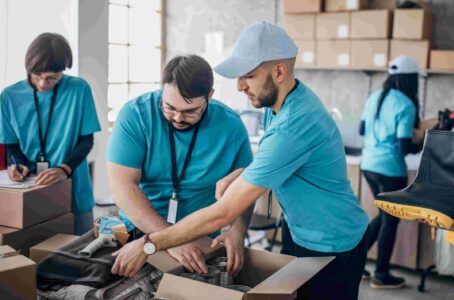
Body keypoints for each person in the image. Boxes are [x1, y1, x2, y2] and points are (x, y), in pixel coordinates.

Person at [111, 22, 370, 300]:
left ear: (279, 72)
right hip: (298, 230)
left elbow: (224, 212)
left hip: (332, 239)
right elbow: (279, 160)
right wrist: (243, 174)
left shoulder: (292, 125)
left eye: (248, 75)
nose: (239, 86)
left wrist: (149, 244)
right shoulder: (281, 105)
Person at [107, 54, 253, 275]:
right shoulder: (135, 115)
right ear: (162, 89)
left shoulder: (231, 126)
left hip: (201, 240)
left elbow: (247, 185)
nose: (177, 117)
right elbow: (121, 187)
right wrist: (170, 239)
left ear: (209, 97)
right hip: (138, 233)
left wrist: (238, 230)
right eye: (169, 107)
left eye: (189, 111)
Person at [0, 32, 101, 235]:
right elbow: (11, 144)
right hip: (31, 187)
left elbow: (86, 140)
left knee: (80, 252)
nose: (43, 84)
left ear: (63, 71)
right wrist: (17, 164)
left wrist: (64, 169)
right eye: (37, 76)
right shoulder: (9, 96)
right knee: (36, 256)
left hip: (73, 184)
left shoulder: (79, 89)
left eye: (52, 79)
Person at [359, 55, 421, 288]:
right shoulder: (405, 103)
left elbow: (362, 128)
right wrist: (426, 140)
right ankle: (381, 274)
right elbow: (404, 148)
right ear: (410, 80)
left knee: (384, 215)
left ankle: (355, 259)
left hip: (369, 165)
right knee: (390, 219)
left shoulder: (374, 96)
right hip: (390, 169)